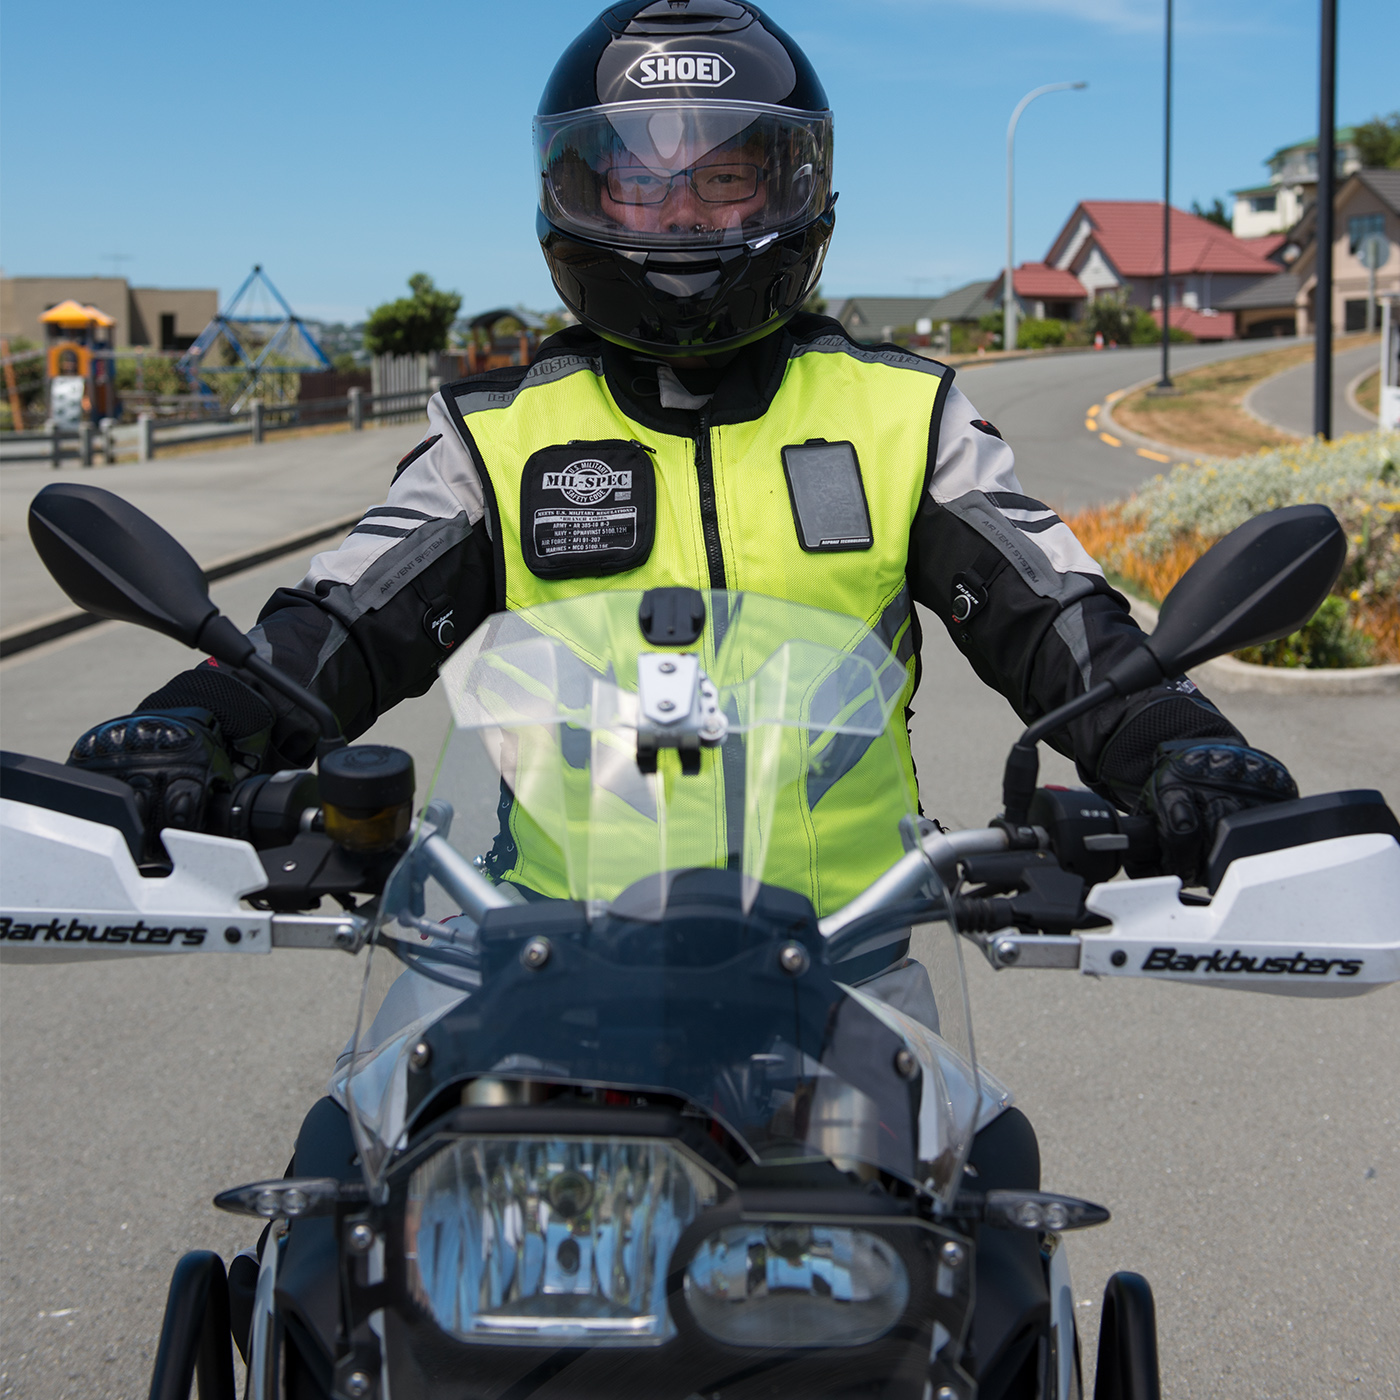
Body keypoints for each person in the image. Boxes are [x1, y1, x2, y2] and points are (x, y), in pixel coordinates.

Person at [67, 4, 1297, 1387]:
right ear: (578, 194)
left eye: (724, 174)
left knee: (990, 1259)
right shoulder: (500, 436)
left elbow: (1065, 626)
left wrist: (1186, 753)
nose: (682, 210)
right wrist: (193, 723)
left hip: (851, 983)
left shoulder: (906, 419)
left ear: (794, 190)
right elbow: (335, 622)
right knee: (334, 1232)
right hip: (526, 975)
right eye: (640, 175)